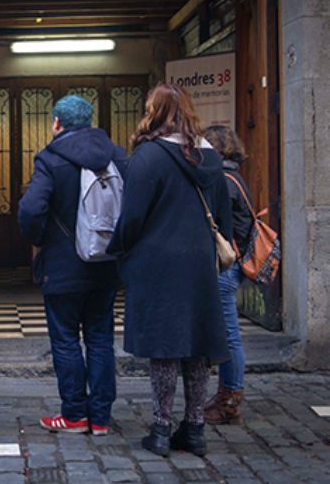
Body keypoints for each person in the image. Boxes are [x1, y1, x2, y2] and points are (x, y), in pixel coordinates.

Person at [107, 83, 232, 457]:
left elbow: (132, 216)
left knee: (164, 348)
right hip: (198, 263)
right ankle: (194, 428)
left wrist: (119, 251)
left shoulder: (148, 156)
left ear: (153, 111)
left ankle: (161, 428)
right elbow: (223, 217)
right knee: (197, 347)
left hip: (156, 263)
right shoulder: (210, 158)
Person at [17, 95, 125, 436]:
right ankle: (102, 417)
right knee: (100, 338)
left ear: (57, 123)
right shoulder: (117, 156)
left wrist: (39, 239)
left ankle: (75, 415)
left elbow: (31, 210)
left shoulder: (50, 158)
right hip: (106, 263)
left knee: (65, 340)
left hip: (63, 265)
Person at [202, 125, 254, 424]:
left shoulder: (222, 180)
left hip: (225, 266)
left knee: (229, 334)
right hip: (234, 264)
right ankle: (226, 394)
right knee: (228, 332)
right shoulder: (236, 176)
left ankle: (230, 398)